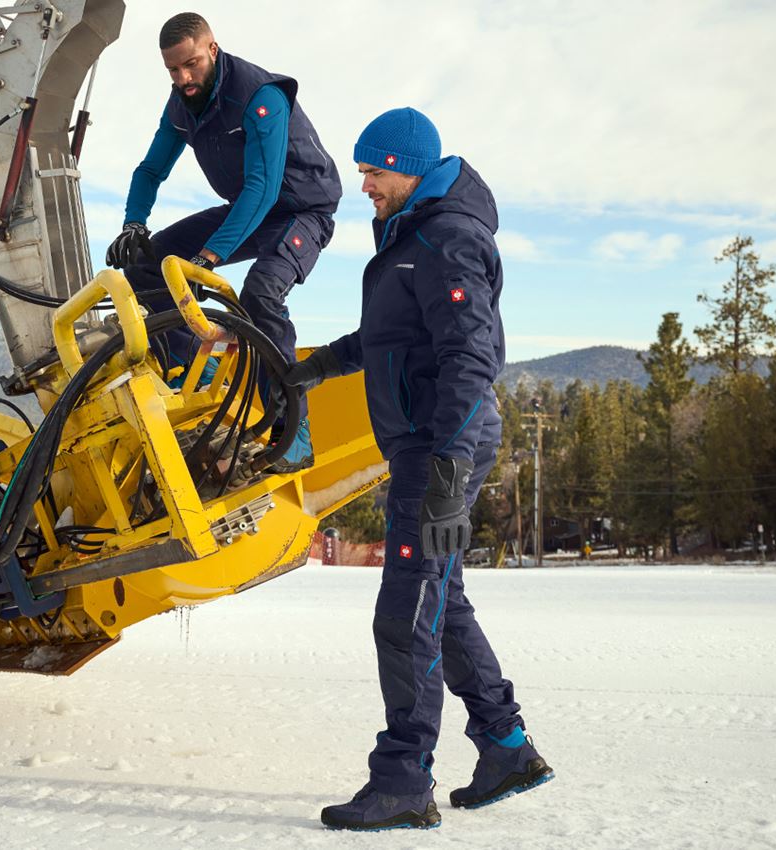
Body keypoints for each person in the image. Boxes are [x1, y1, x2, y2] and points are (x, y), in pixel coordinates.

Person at [281, 108, 553, 831]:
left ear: (405, 167)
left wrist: (446, 474)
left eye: (372, 172)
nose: (362, 186)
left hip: (440, 451)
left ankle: (403, 779)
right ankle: (505, 746)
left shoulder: (448, 238)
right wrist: (310, 368)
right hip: (428, 447)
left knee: (405, 613)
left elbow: (471, 358)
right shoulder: (414, 234)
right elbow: (389, 336)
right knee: (441, 601)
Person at [104, 12, 341, 472]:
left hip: (301, 210)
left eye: (191, 64)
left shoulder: (260, 97)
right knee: (147, 269)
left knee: (261, 291)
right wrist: (134, 223)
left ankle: (295, 434)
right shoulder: (180, 105)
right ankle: (196, 374)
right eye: (173, 70)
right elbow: (150, 170)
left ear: (212, 48)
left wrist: (211, 255)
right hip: (247, 207)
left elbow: (263, 187)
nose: (183, 77)